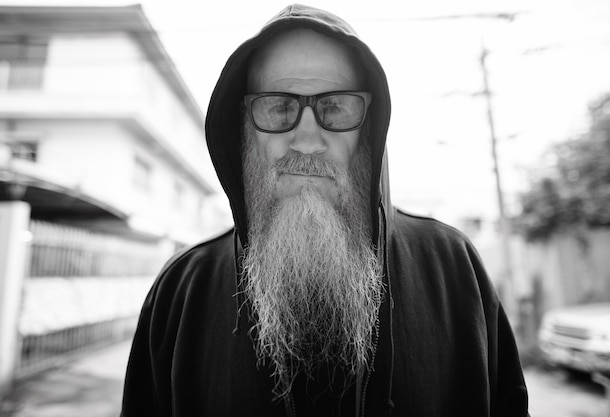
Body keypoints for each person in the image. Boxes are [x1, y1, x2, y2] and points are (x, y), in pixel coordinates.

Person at [121, 4, 529, 417]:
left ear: (369, 128)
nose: (307, 139)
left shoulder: (452, 268)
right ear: (243, 126)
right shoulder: (181, 290)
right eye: (278, 107)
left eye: (335, 107)